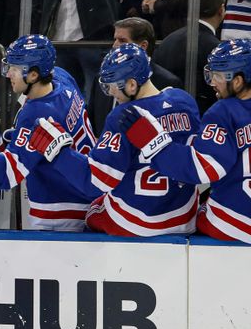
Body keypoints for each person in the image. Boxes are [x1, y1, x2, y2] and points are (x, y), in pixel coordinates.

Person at [29, 43, 201, 236]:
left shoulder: (123, 117)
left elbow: (95, 182)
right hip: (184, 217)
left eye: (112, 86)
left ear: (132, 84)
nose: (111, 93)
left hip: (136, 222)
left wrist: (58, 151)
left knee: (91, 213)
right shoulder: (184, 101)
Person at [0, 35, 97, 231]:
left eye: (14, 68)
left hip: (60, 209)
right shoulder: (62, 77)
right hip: (85, 195)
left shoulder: (37, 114)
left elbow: (7, 176)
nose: (7, 74)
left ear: (33, 75)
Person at [119, 39, 251, 243]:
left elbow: (204, 168)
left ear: (238, 81)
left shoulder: (224, 112)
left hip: (234, 223)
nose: (213, 82)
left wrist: (154, 143)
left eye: (217, 75)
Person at [89, 17, 183, 135]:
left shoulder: (168, 83)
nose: (115, 46)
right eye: (115, 40)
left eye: (122, 41)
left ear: (143, 46)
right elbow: (93, 124)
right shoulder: (101, 78)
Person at [153, 0, 225, 114]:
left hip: (164, 119)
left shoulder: (167, 41)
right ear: (221, 10)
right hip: (202, 121)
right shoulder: (216, 50)